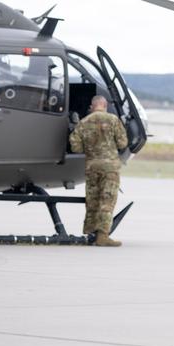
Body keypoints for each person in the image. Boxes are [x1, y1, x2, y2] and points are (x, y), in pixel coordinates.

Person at [69, 95, 128, 247]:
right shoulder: (113, 120)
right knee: (107, 200)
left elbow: (75, 147)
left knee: (92, 200)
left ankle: (90, 233)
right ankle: (102, 236)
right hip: (110, 168)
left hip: (92, 167)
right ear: (105, 104)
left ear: (92, 106)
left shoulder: (83, 122)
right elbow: (123, 143)